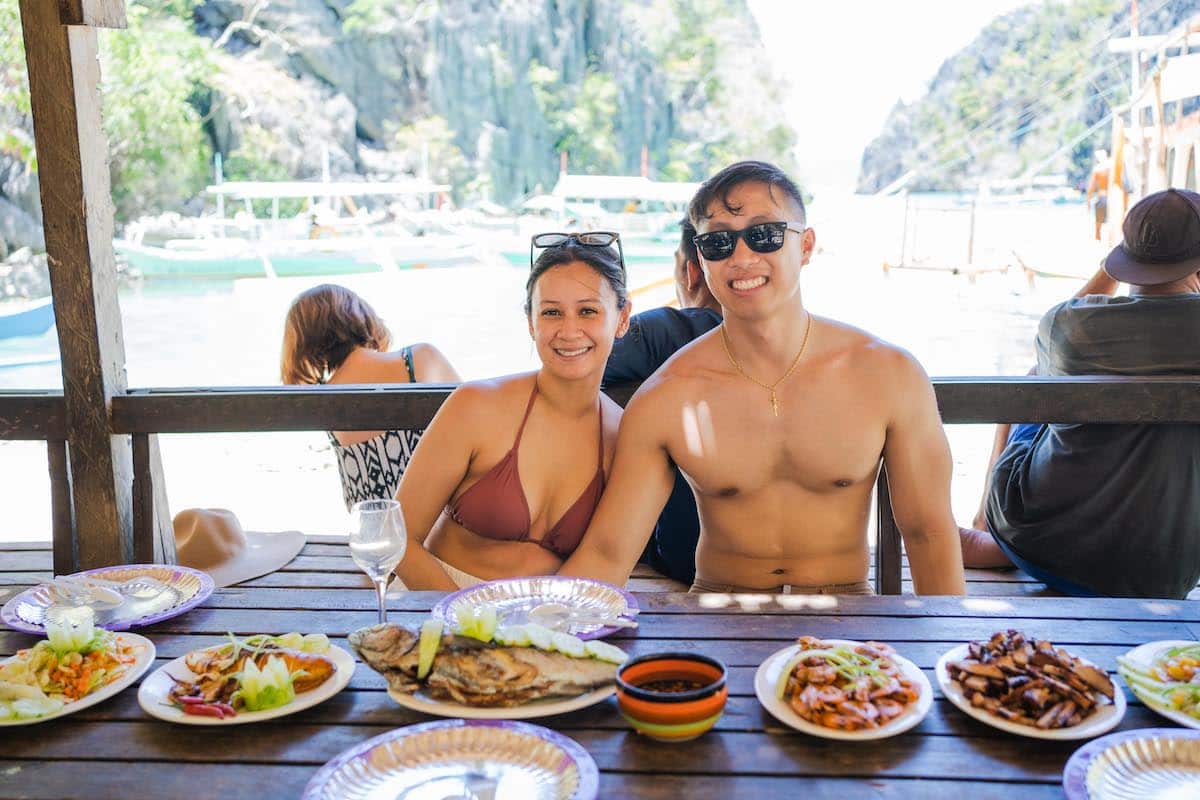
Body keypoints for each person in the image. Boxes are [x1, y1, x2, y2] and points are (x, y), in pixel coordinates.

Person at [561, 160, 966, 595]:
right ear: (701, 258)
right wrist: (533, 629)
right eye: (718, 242)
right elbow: (608, 551)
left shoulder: (888, 375)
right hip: (718, 620)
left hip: (846, 620)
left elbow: (929, 533)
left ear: (806, 246)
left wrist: (941, 651)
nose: (741, 257)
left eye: (764, 234)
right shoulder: (667, 396)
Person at [964, 188, 1200, 599]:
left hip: (1040, 545)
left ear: (1126, 256)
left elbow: (1065, 322)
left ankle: (987, 524)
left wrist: (1111, 267)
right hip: (1170, 568)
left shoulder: (1066, 326)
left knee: (1036, 376)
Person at [392, 233, 631, 589]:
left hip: (550, 615)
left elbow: (608, 561)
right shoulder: (475, 406)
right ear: (532, 322)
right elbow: (397, 539)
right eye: (551, 312)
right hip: (438, 598)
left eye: (588, 311)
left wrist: (546, 626)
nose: (569, 330)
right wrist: (467, 623)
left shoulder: (622, 437)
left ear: (622, 318)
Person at [603, 217, 721, 584]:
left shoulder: (666, 330)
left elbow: (572, 364)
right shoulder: (794, 344)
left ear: (690, 273)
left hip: (679, 553)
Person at [281, 284, 460, 509]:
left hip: (376, 532)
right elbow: (476, 427)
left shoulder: (324, 399)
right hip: (442, 524)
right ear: (361, 317)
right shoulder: (419, 360)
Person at [1085, 149, 1112, 243]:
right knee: (1111, 222)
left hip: (1102, 196)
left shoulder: (1098, 169)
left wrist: (1088, 200)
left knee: (1098, 222)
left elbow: (1091, 187)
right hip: (1113, 197)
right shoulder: (1111, 167)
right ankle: (1110, 242)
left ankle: (1098, 240)